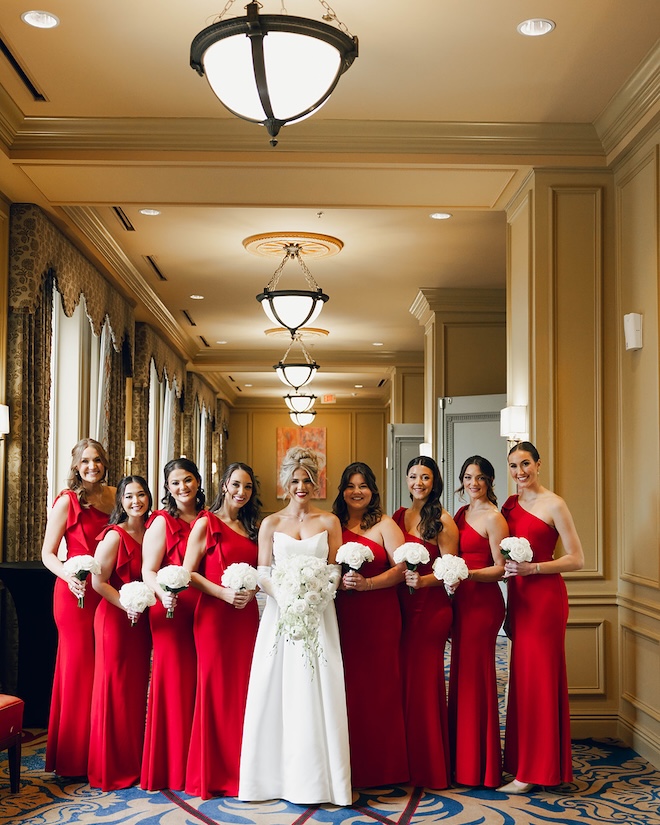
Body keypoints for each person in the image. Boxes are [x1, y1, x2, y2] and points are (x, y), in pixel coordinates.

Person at [239, 446, 351, 806]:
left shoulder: (330, 521)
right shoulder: (270, 523)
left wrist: (320, 592)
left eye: (307, 480)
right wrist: (285, 597)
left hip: (319, 615)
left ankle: (322, 782)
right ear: (285, 482)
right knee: (278, 686)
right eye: (294, 480)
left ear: (315, 482)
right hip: (280, 616)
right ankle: (271, 780)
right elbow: (263, 572)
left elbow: (335, 567)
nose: (300, 486)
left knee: (319, 686)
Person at [498, 441, 584, 794]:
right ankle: (527, 763)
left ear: (539, 464)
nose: (520, 472)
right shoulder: (509, 505)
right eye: (514, 466)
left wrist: (534, 568)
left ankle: (535, 771)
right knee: (522, 680)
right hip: (519, 599)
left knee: (541, 682)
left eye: (526, 464)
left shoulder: (555, 504)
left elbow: (577, 558)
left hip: (546, 599)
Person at [183, 463, 261, 799]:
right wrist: (223, 593)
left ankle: (243, 770)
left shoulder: (252, 527)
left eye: (247, 487)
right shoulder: (206, 522)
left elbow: (261, 571)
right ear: (224, 485)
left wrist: (251, 592)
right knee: (215, 691)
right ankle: (212, 774)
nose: (241, 492)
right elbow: (188, 573)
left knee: (245, 692)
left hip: (245, 618)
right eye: (236, 485)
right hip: (214, 617)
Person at [41, 438, 116, 777]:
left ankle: (101, 749)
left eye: (97, 460)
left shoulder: (116, 496)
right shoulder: (66, 502)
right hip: (75, 592)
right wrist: (69, 574)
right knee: (78, 669)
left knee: (105, 668)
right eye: (85, 461)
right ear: (75, 465)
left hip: (107, 590)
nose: (92, 466)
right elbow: (48, 553)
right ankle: (72, 757)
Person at [332, 462, 408, 788]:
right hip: (343, 616)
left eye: (363, 485)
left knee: (381, 689)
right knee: (346, 689)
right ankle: (348, 766)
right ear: (342, 490)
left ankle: (383, 768)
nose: (357, 491)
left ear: (373, 490)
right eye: (350, 485)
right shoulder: (332, 524)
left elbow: (403, 568)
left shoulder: (385, 524)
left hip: (379, 615)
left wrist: (369, 585)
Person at [392, 455, 458, 790]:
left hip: (429, 610)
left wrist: (424, 582)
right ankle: (403, 760)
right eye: (414, 476)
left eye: (426, 477)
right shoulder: (399, 516)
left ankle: (429, 766)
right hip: (401, 608)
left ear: (435, 483)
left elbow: (451, 572)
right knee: (403, 682)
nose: (419, 483)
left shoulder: (443, 520)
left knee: (423, 686)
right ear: (406, 480)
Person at [140, 458, 205, 791]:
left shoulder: (209, 519)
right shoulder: (161, 522)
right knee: (175, 686)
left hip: (205, 609)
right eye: (176, 482)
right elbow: (148, 570)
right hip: (170, 608)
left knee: (200, 685)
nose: (183, 487)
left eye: (189, 480)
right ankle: (170, 767)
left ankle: (197, 763)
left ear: (198, 481)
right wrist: (164, 594)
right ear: (167, 487)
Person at [88, 475, 153, 790]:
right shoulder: (114, 536)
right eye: (129, 497)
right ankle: (109, 768)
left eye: (141, 495)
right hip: (114, 619)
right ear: (121, 502)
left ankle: (134, 761)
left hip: (140, 623)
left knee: (134, 693)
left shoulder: (152, 531)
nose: (135, 501)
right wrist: (125, 603)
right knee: (113, 691)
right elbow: (98, 582)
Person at [449, 456, 507, 788]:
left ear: (489, 482)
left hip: (483, 604)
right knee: (460, 675)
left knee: (477, 678)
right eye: (469, 477)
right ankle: (462, 759)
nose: (474, 483)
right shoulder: (460, 515)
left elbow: (501, 568)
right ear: (462, 481)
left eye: (481, 478)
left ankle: (481, 766)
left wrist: (467, 574)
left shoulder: (493, 518)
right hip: (461, 602)